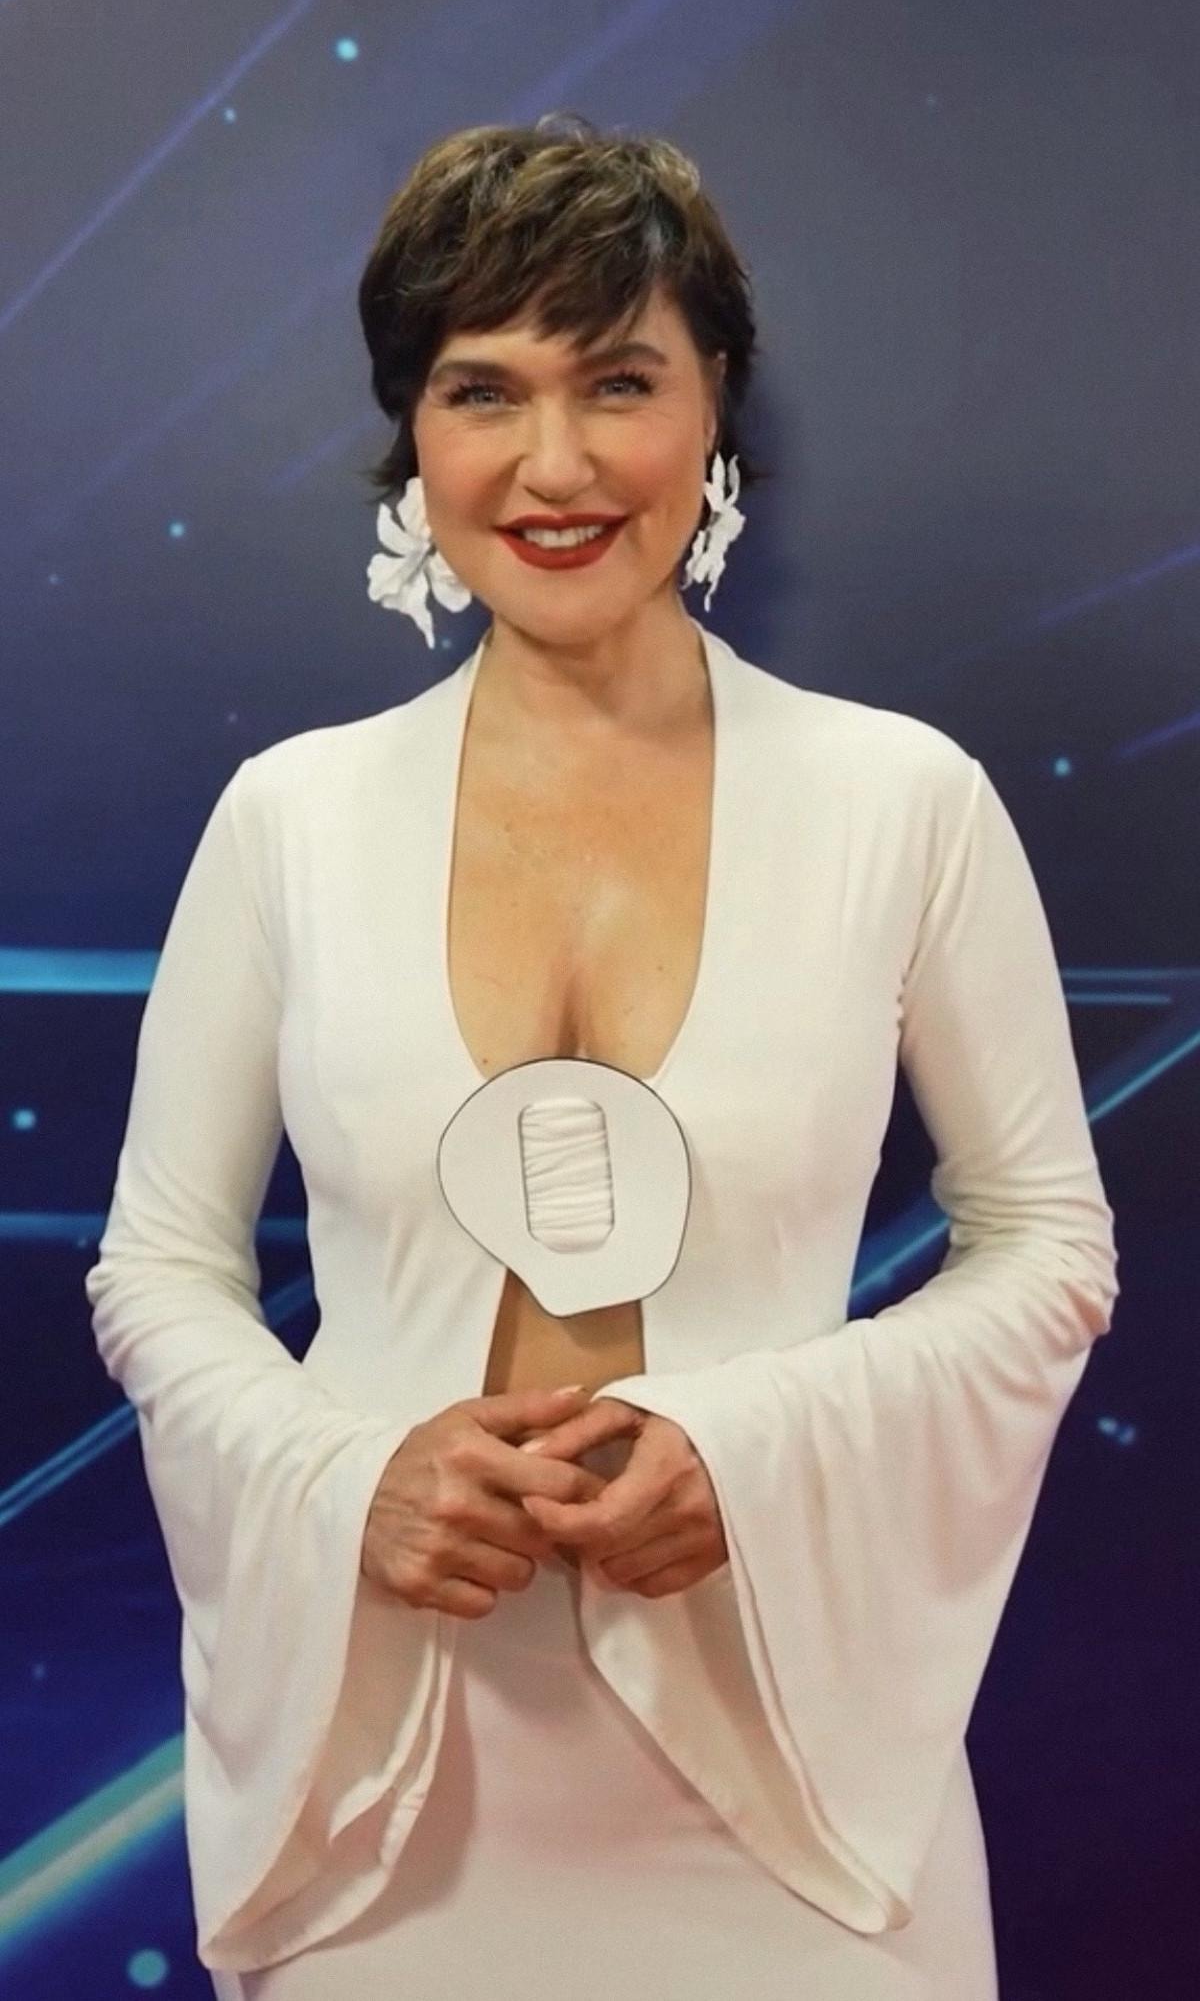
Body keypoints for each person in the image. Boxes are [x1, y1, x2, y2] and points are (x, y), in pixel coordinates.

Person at [84, 114, 1119, 1999]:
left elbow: (1050, 1246)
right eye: (483, 389)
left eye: (619, 382)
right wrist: (349, 1480)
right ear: (415, 437)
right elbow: (158, 1263)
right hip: (389, 1785)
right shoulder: (290, 819)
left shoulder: (905, 803)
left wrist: (752, 1452)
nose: (552, 465)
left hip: (795, 1779)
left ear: (715, 407)